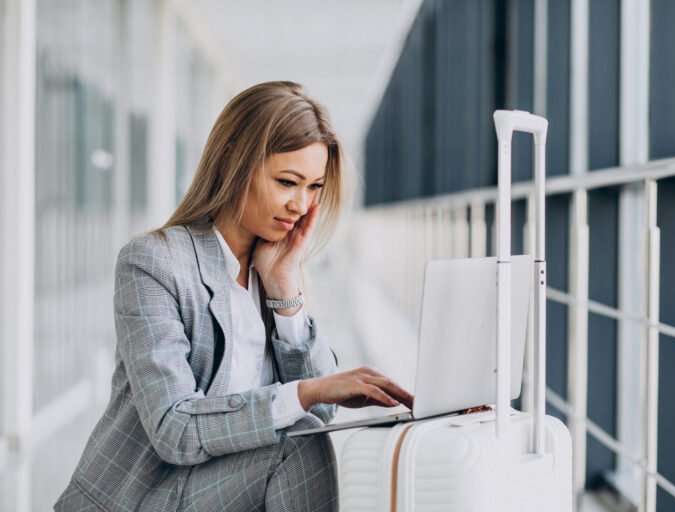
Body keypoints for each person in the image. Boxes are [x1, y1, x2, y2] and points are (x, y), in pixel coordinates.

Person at [54, 81, 413, 512]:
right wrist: (306, 392)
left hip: (225, 490)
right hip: (148, 497)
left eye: (314, 187)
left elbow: (323, 417)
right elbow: (176, 430)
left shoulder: (272, 268)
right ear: (234, 163)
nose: (301, 204)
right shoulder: (153, 263)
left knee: (304, 437)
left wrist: (285, 289)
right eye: (287, 181)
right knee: (294, 446)